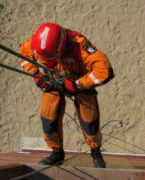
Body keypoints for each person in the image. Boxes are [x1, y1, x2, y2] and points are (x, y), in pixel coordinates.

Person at [19, 23, 114, 168]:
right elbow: (24, 54)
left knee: (90, 122)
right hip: (53, 78)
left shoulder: (79, 45)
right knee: (48, 117)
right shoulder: (36, 43)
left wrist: (77, 84)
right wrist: (36, 74)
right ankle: (57, 153)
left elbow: (104, 70)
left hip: (80, 80)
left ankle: (96, 152)